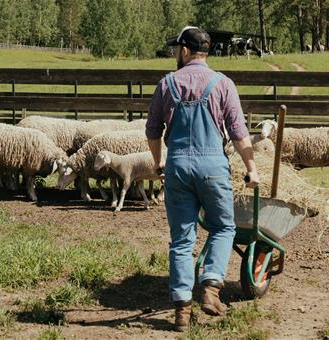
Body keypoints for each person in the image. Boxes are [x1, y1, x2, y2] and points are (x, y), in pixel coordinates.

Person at [146, 26, 260, 332]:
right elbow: (239, 133)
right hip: (213, 167)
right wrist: (252, 168)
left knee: (182, 239)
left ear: (184, 51)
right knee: (224, 227)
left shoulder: (167, 83)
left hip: (178, 167)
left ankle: (182, 308)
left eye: (176, 50)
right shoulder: (223, 84)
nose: (174, 55)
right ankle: (211, 287)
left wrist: (159, 163)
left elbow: (153, 131)